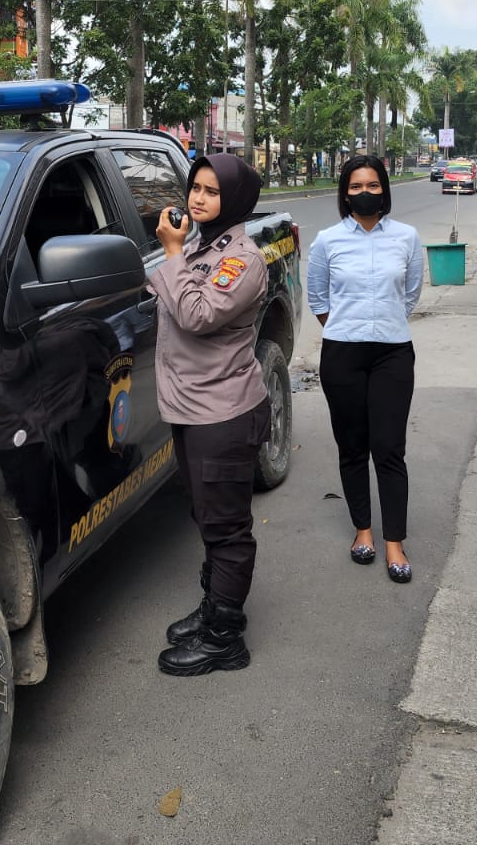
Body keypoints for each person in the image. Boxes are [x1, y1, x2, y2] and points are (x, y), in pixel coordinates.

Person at [150, 153, 271, 677]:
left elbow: (197, 315)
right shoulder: (202, 248)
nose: (198, 198)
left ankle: (225, 639)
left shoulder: (242, 260)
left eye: (212, 191)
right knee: (207, 516)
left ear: (235, 200)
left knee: (226, 528)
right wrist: (178, 255)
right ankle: (213, 610)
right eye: (195, 188)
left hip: (222, 414)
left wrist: (172, 253)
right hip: (192, 409)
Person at [307, 154, 425, 584]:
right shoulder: (327, 240)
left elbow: (410, 294)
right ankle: (363, 531)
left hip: (393, 352)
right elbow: (318, 298)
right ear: (345, 193)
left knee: (389, 447)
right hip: (343, 354)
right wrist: (349, 327)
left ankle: (395, 541)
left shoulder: (407, 237)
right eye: (355, 186)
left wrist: (381, 323)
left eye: (372, 185)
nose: (364, 193)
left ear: (384, 190)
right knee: (353, 446)